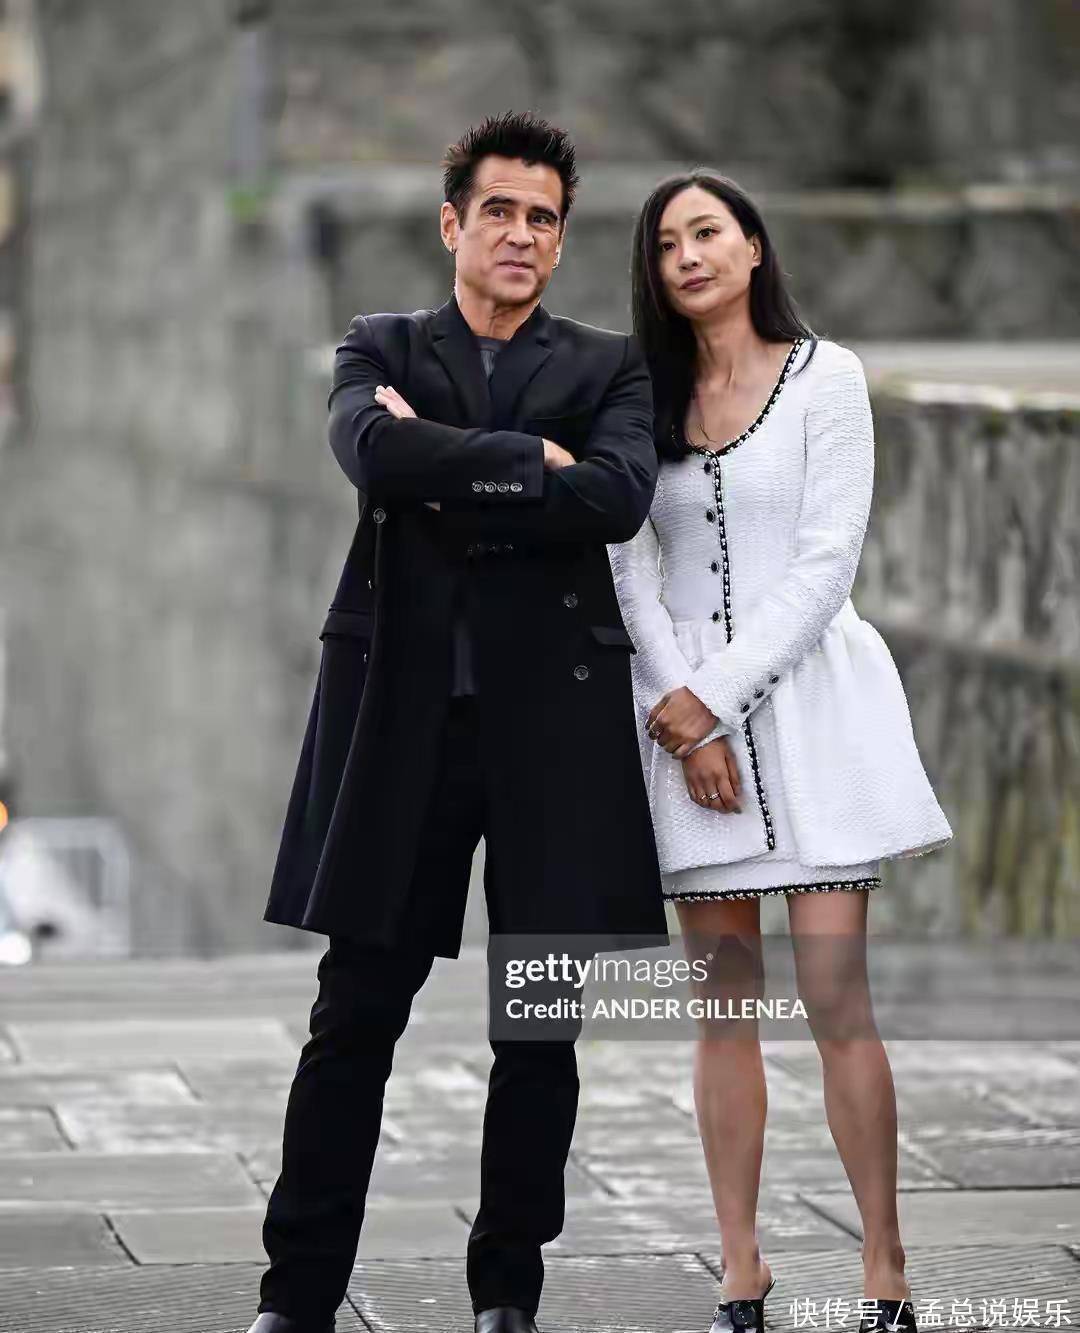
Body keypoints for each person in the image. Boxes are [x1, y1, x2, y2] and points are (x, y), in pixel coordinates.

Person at [247, 112, 668, 1333]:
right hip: (402, 725)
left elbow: (617, 498)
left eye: (544, 217)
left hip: (553, 735)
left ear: (560, 237)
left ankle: (506, 1298)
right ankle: (296, 1299)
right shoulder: (379, 341)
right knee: (352, 1020)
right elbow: (371, 456)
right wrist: (532, 463)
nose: (522, 234)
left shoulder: (610, 367)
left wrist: (452, 460)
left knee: (537, 1033)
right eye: (500, 211)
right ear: (453, 223)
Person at [607, 172, 953, 1333]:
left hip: (810, 711)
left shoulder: (827, 378)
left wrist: (713, 703)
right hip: (682, 722)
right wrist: (681, 713)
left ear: (753, 246)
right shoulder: (637, 394)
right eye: (667, 243)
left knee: (837, 994)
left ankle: (885, 1268)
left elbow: (825, 565)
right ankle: (740, 1268)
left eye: (708, 231)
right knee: (723, 1006)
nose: (689, 255)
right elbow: (628, 566)